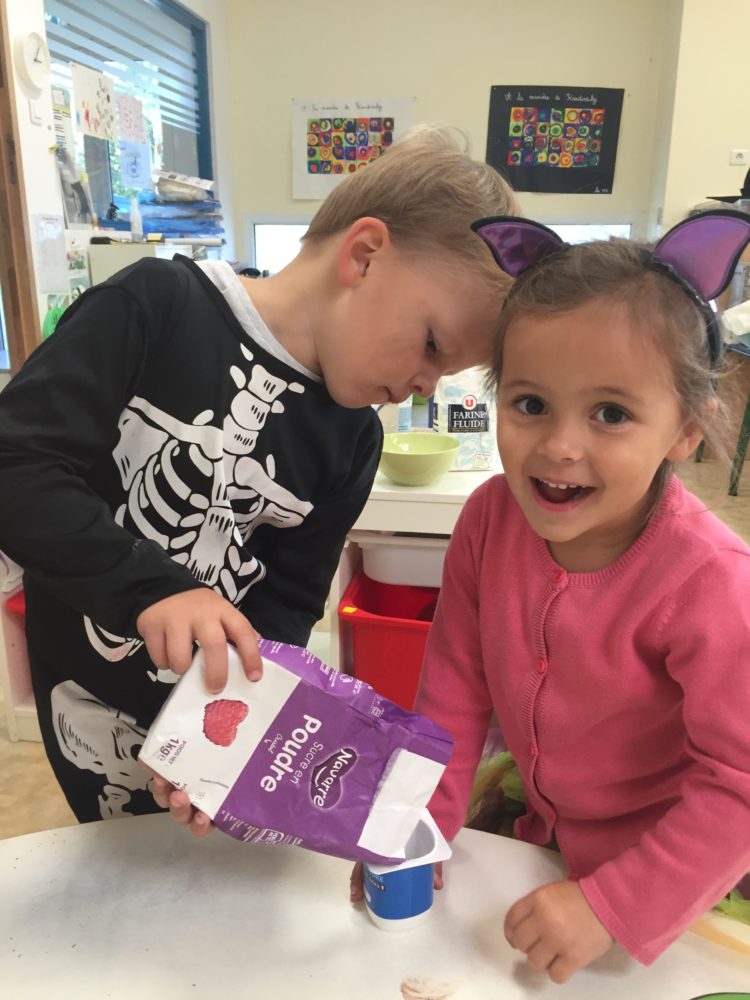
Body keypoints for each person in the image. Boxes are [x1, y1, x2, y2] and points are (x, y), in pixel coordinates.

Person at [0, 127, 517, 825]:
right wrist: (151, 589)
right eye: (431, 346)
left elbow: (287, 606)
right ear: (364, 256)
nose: (423, 388)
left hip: (203, 747)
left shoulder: (354, 439)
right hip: (89, 713)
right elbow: (16, 464)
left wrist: (240, 739)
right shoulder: (155, 306)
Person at [353, 210, 750, 982]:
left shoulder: (715, 583)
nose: (561, 445)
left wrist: (612, 905)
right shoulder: (486, 521)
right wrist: (419, 828)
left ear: (686, 430)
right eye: (531, 404)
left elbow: (739, 788)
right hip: (543, 838)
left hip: (690, 883)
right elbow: (452, 698)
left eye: (611, 414)